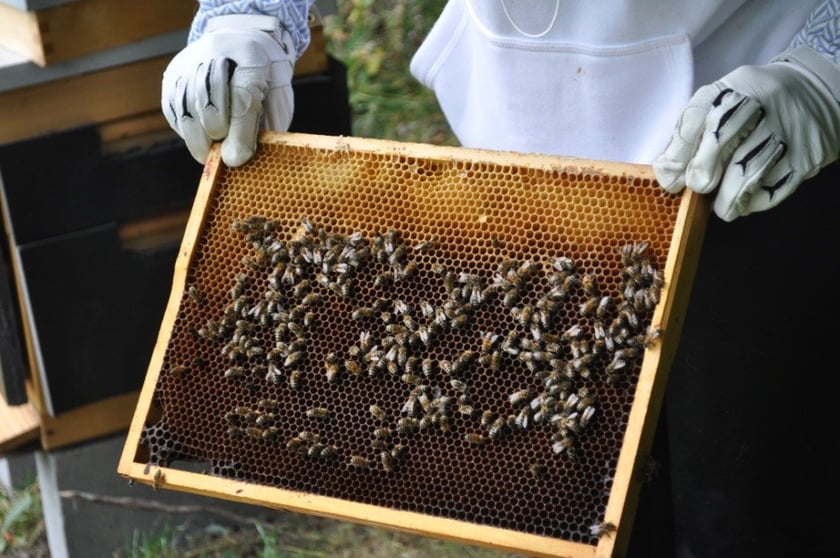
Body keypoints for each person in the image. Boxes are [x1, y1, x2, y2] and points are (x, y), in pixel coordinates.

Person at [161, 2, 840, 556]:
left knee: (751, 507)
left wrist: (823, 66)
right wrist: (244, 15)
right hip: (523, 176)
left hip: (754, 145)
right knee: (577, 495)